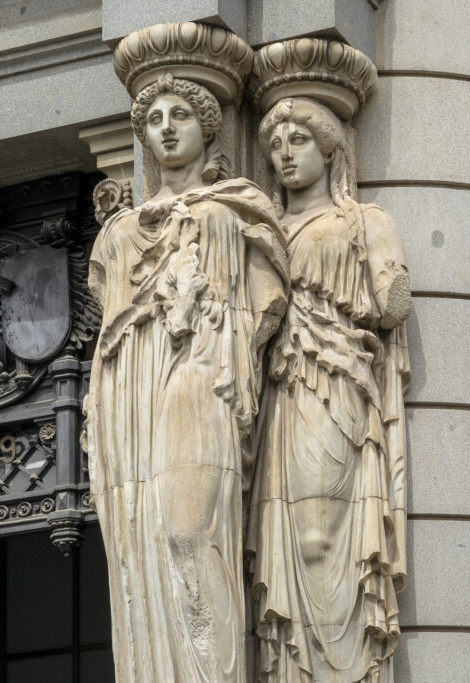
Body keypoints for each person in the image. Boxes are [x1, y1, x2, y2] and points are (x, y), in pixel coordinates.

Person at [82, 73, 288, 681]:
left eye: (181, 114)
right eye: (155, 118)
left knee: (191, 531)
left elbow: (261, 309)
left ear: (209, 126)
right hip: (130, 390)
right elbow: (109, 324)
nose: (167, 127)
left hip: (205, 373)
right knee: (138, 546)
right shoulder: (118, 233)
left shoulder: (234, 209)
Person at [247, 97, 410, 682]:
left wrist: (386, 279)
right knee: (289, 533)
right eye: (274, 146)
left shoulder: (364, 222)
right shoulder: (262, 228)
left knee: (323, 531)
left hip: (338, 385)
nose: (284, 155)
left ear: (330, 147)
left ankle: (348, 668)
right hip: (281, 395)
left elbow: (393, 306)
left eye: (297, 141)